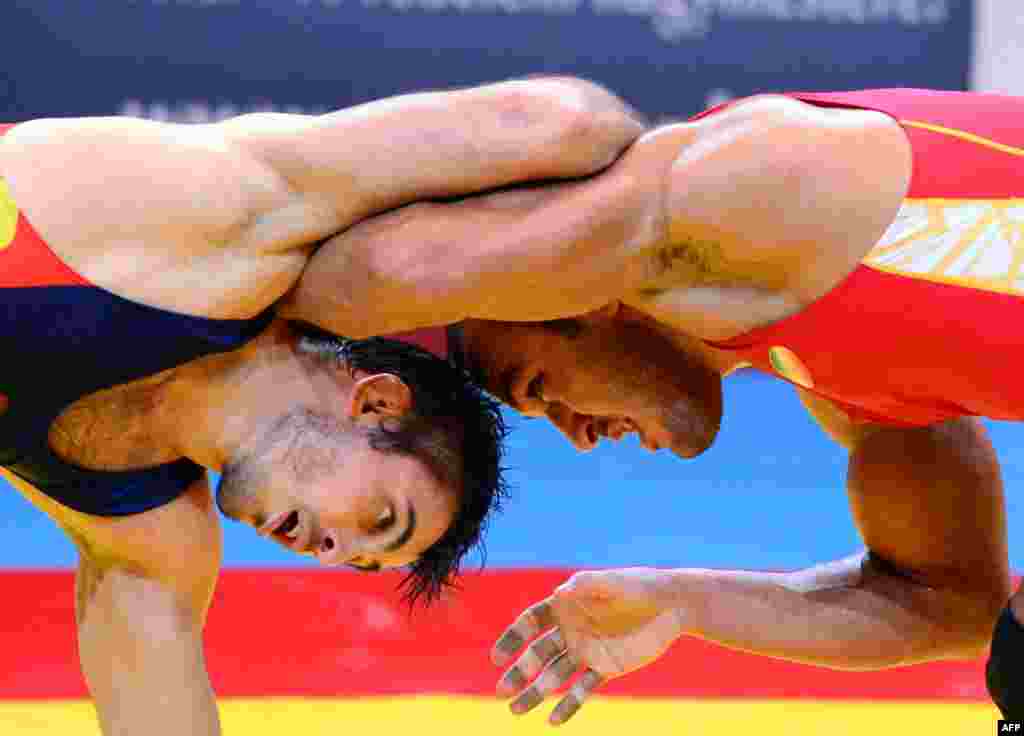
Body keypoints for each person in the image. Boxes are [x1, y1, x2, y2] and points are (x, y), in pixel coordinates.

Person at [287, 88, 1024, 724]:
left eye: (539, 388)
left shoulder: (750, 186)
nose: (576, 436)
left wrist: (206, 336)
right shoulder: (848, 381)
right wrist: (681, 601)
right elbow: (947, 601)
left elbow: (369, 273)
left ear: (573, 294)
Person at [0, 76, 644, 736]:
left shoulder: (149, 544)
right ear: (376, 403)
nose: (332, 553)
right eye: (380, 519)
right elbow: (572, 121)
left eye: (359, 558)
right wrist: (649, 333)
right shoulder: (220, 228)